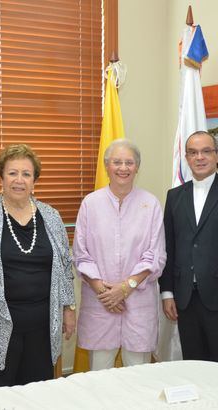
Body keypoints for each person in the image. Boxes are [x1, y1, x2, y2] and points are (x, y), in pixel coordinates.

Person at [0, 144, 76, 389]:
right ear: (1, 177)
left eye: (26, 174)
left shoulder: (51, 216)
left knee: (36, 395)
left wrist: (68, 308)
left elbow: (64, 267)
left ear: (34, 181)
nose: (19, 180)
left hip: (42, 326)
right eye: (12, 173)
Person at [159, 131, 218, 366]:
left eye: (206, 151)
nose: (199, 157)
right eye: (193, 152)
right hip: (185, 300)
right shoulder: (174, 197)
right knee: (193, 366)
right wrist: (167, 292)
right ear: (186, 158)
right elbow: (168, 247)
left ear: (217, 156)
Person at [73, 139, 166, 370]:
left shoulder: (150, 204)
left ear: (137, 167)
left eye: (129, 162)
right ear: (107, 166)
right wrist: (105, 293)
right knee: (100, 375)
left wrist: (125, 289)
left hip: (138, 303)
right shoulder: (90, 204)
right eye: (117, 162)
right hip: (100, 303)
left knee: (138, 373)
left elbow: (155, 254)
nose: (123, 168)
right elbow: (81, 254)